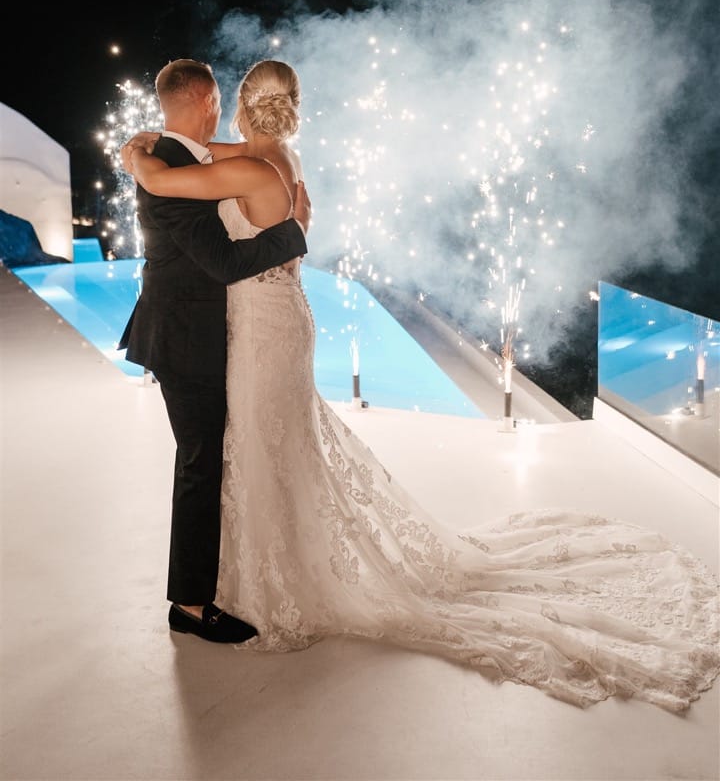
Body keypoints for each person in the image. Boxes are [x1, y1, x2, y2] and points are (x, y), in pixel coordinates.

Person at [123, 58, 720, 711]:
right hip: (279, 318)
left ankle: (262, 575)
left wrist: (141, 159)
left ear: (235, 105)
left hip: (263, 328)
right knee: (274, 443)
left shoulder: (240, 168)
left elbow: (181, 193)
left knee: (262, 445)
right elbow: (210, 161)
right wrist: (159, 143)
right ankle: (249, 568)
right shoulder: (279, 158)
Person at [118, 57, 311, 644]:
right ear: (209, 102)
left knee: (234, 451)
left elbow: (180, 172)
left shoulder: (189, 161)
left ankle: (229, 576)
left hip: (237, 325)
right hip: (188, 334)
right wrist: (295, 232)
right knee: (204, 463)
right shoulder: (243, 160)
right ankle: (192, 605)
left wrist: (135, 157)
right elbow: (225, 262)